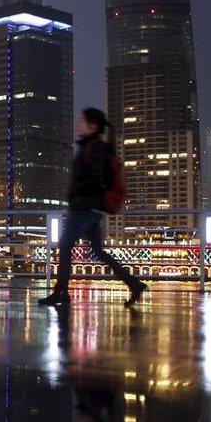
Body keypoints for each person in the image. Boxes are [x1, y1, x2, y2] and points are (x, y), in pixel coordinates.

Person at [39, 107, 146, 307]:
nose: (77, 124)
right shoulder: (90, 146)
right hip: (90, 208)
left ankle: (61, 292)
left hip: (85, 208)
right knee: (98, 251)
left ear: (93, 126)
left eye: (82, 120)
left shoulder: (95, 148)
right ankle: (134, 284)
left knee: (64, 246)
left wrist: (77, 196)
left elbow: (96, 179)